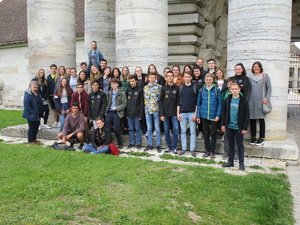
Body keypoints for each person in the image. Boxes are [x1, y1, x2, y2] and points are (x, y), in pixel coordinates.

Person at [221, 83, 250, 171]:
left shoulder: (243, 101)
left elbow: (247, 115)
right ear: (230, 90)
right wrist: (223, 124)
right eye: (232, 89)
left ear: (239, 90)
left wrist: (245, 128)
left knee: (240, 146)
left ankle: (241, 163)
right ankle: (230, 162)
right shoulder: (227, 99)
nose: (234, 91)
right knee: (231, 145)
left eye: (236, 89)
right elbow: (224, 113)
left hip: (239, 128)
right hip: (229, 126)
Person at [196, 73, 222, 159]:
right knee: (205, 133)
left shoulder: (217, 90)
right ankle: (207, 150)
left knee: (213, 133)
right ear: (204, 80)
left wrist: (218, 115)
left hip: (213, 116)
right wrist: (198, 115)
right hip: (204, 116)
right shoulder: (202, 90)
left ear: (213, 80)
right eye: (207, 79)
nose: (208, 81)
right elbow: (198, 103)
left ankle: (212, 151)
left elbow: (219, 104)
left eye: (210, 79)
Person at [248, 61, 272, 146]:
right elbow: (249, 90)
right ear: (253, 68)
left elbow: (269, 88)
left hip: (261, 102)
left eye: (258, 66)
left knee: (261, 119)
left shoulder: (265, 76)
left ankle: (262, 138)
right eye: (255, 67)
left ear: (260, 67)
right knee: (252, 120)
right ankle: (253, 137)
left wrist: (267, 98)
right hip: (251, 101)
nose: (256, 68)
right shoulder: (250, 78)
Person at [177, 73, 198, 157]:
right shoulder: (181, 88)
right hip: (182, 112)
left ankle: (192, 149)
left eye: (189, 77)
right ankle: (184, 148)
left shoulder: (195, 88)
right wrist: (178, 113)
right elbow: (178, 101)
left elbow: (197, 103)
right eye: (185, 77)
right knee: (183, 131)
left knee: (193, 131)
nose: (187, 78)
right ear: (183, 78)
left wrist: (196, 114)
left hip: (192, 113)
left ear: (191, 78)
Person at [159, 71, 180, 154]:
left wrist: (178, 113)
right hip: (165, 114)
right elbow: (160, 102)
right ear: (166, 78)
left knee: (176, 129)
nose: (170, 77)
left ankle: (174, 147)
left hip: (174, 114)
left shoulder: (177, 88)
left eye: (172, 76)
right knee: (166, 130)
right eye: (168, 76)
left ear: (173, 77)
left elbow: (179, 102)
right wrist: (161, 114)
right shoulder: (163, 89)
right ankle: (169, 147)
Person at [106, 78, 127, 149]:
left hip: (117, 112)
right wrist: (106, 110)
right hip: (109, 112)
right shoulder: (109, 92)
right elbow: (107, 103)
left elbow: (124, 104)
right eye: (112, 84)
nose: (113, 85)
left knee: (116, 128)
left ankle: (120, 143)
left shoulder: (122, 93)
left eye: (115, 83)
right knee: (107, 128)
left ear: (118, 84)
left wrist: (117, 108)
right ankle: (108, 142)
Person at [144, 72, 162, 152]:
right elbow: (145, 100)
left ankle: (158, 145)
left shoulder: (159, 87)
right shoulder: (145, 87)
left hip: (156, 111)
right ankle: (150, 144)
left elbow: (159, 99)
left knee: (157, 128)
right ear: (148, 78)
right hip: (148, 111)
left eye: (153, 77)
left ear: (155, 78)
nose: (152, 79)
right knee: (149, 128)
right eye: (150, 77)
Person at [126, 75, 144, 149]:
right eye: (130, 81)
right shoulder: (128, 90)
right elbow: (126, 103)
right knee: (131, 129)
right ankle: (131, 142)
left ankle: (138, 143)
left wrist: (140, 114)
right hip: (129, 113)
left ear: (136, 81)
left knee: (137, 128)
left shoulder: (140, 90)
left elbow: (141, 103)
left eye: (133, 81)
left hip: (137, 113)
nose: (131, 82)